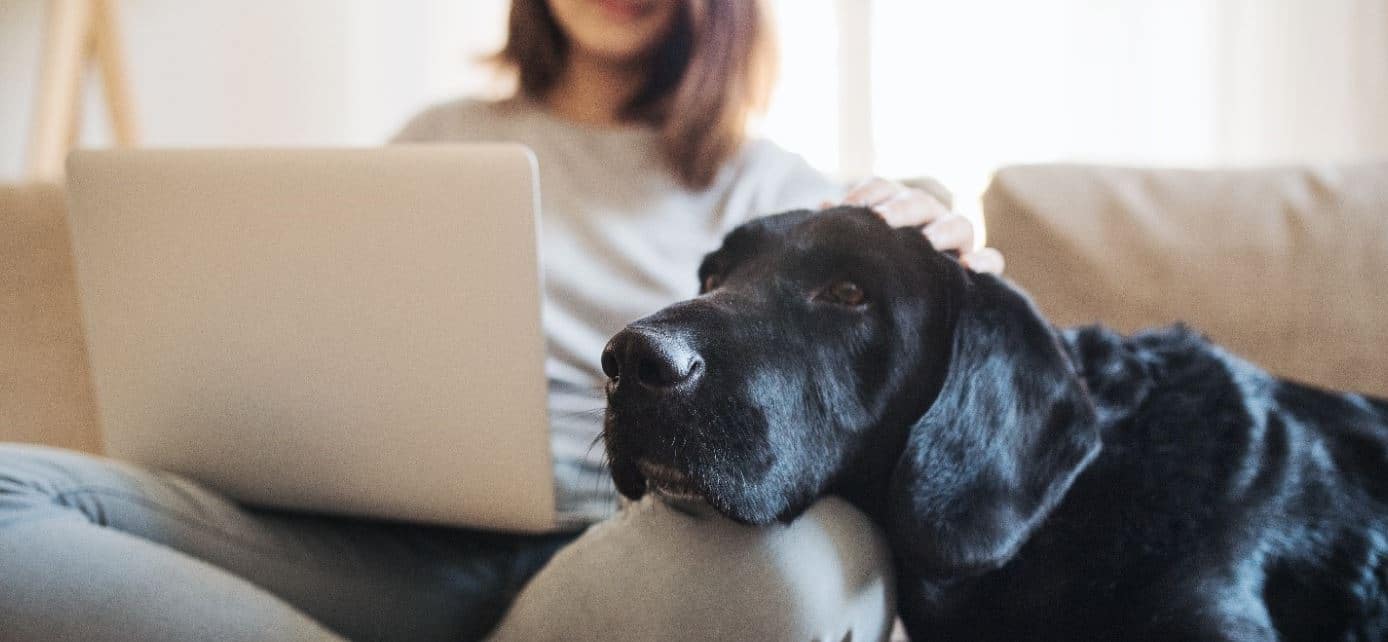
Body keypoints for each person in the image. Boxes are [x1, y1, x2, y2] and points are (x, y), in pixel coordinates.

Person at [0, 1, 1003, 640]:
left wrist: (947, 265)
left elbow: (894, 372)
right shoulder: (437, 140)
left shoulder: (780, 189)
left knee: (775, 578)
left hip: (623, 550)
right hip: (379, 541)